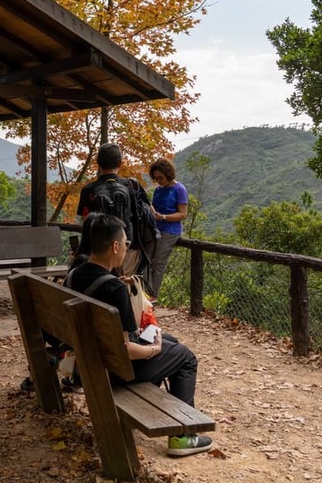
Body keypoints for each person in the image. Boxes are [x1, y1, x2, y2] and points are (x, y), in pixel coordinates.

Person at [66, 213, 211, 458]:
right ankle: (183, 435)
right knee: (185, 356)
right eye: (125, 243)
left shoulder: (74, 275)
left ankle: (163, 413)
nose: (126, 247)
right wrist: (153, 349)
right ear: (114, 246)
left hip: (86, 365)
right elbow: (125, 350)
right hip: (113, 372)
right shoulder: (114, 288)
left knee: (171, 343)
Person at [76, 142, 143, 276]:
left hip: (98, 246)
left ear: (98, 164)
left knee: (100, 281)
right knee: (124, 281)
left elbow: (85, 220)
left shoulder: (89, 189)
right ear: (120, 164)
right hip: (126, 244)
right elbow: (137, 215)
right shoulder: (130, 186)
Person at [147, 158, 188, 299]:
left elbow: (183, 214)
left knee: (158, 262)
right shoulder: (158, 190)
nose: (159, 181)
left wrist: (163, 217)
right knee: (147, 260)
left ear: (168, 174)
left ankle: (153, 295)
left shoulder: (179, 189)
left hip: (170, 230)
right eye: (156, 178)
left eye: (161, 178)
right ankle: (145, 293)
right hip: (155, 229)